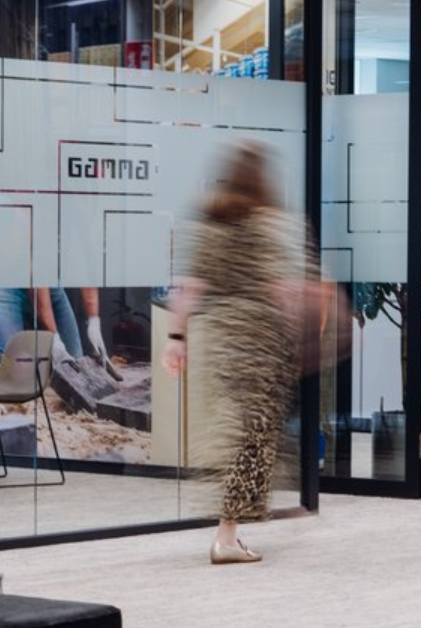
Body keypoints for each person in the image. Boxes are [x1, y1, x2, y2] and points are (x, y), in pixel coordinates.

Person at [162, 141, 311, 565]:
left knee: (240, 436)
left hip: (223, 339)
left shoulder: (211, 223)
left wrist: (176, 338)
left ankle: (231, 526)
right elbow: (283, 290)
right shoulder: (269, 224)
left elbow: (189, 289)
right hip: (261, 339)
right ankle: (227, 534)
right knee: (253, 439)